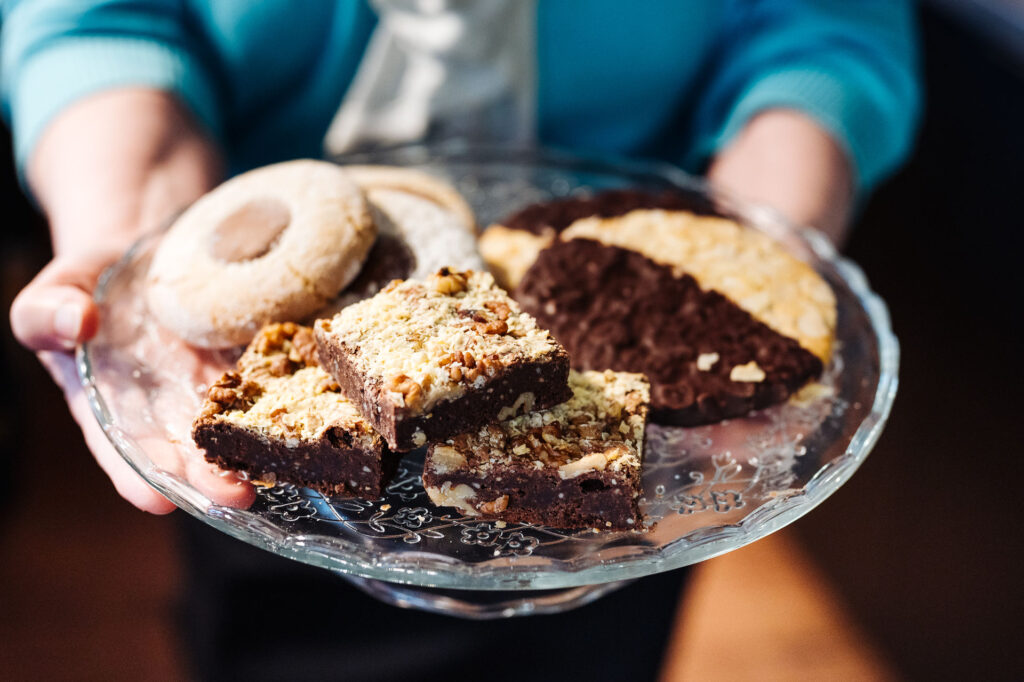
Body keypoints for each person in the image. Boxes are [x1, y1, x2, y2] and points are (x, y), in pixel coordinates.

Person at [2, 1, 921, 680]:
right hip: (251, 405)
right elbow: (97, 22)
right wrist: (134, 245)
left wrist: (760, 258)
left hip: (642, 441)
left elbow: (823, 30)